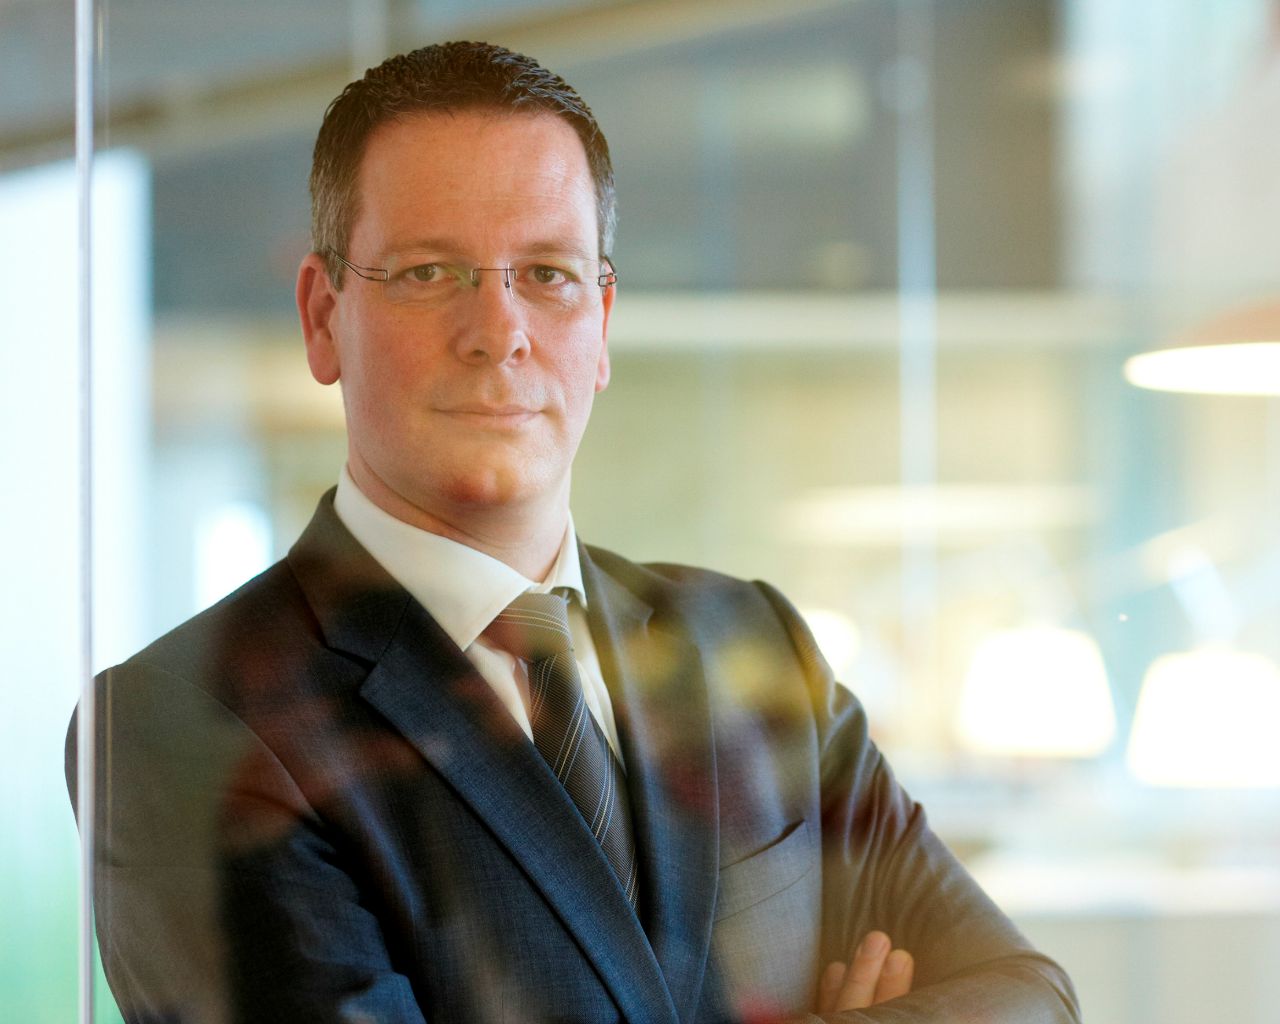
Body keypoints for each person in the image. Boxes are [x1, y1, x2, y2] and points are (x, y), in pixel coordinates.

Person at [67, 41, 1081, 1024]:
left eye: (547, 273)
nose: (497, 331)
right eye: (428, 272)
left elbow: (1027, 996)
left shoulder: (750, 641)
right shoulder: (178, 729)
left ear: (601, 321)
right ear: (323, 317)